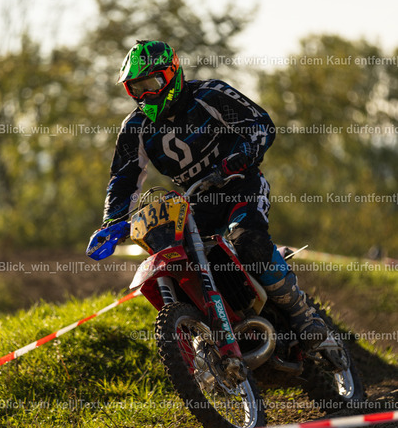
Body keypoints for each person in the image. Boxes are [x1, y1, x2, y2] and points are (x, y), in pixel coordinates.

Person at [91, 39, 327, 351]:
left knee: (248, 242)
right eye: (137, 88)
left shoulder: (209, 95)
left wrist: (242, 155)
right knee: (180, 260)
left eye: (151, 84)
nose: (145, 94)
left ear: (171, 74)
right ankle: (211, 334)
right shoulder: (135, 127)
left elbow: (260, 124)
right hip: (194, 203)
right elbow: (123, 179)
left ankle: (302, 314)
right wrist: (111, 223)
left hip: (239, 186)